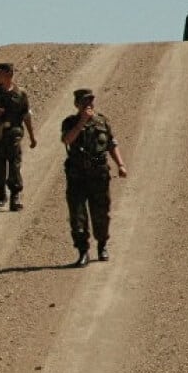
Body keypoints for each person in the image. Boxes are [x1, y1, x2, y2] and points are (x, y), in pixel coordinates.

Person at [61, 88, 127, 267]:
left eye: (90, 101)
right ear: (77, 104)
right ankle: (83, 252)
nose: (88, 104)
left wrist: (120, 164)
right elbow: (67, 140)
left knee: (101, 213)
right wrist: (82, 122)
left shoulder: (102, 121)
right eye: (84, 102)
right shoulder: (70, 122)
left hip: (99, 175)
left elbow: (111, 144)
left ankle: (102, 245)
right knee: (78, 216)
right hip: (77, 176)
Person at [0, 62, 37, 210]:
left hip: (13, 136)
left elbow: (26, 115)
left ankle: (15, 196)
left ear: (9, 74)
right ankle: (1, 192)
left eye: (0, 73)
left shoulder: (20, 94)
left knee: (14, 166)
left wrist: (32, 136)